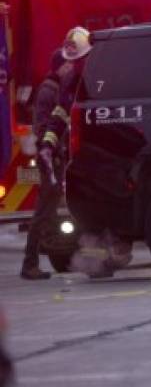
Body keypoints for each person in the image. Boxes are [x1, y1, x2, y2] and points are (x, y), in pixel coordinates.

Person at [20, 27, 91, 280]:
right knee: (44, 211)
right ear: (61, 66)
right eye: (67, 66)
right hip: (51, 158)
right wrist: (52, 150)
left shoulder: (55, 88)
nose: (71, 69)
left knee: (48, 211)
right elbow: (44, 126)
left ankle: (38, 259)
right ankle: (29, 264)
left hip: (55, 155)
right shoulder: (50, 90)